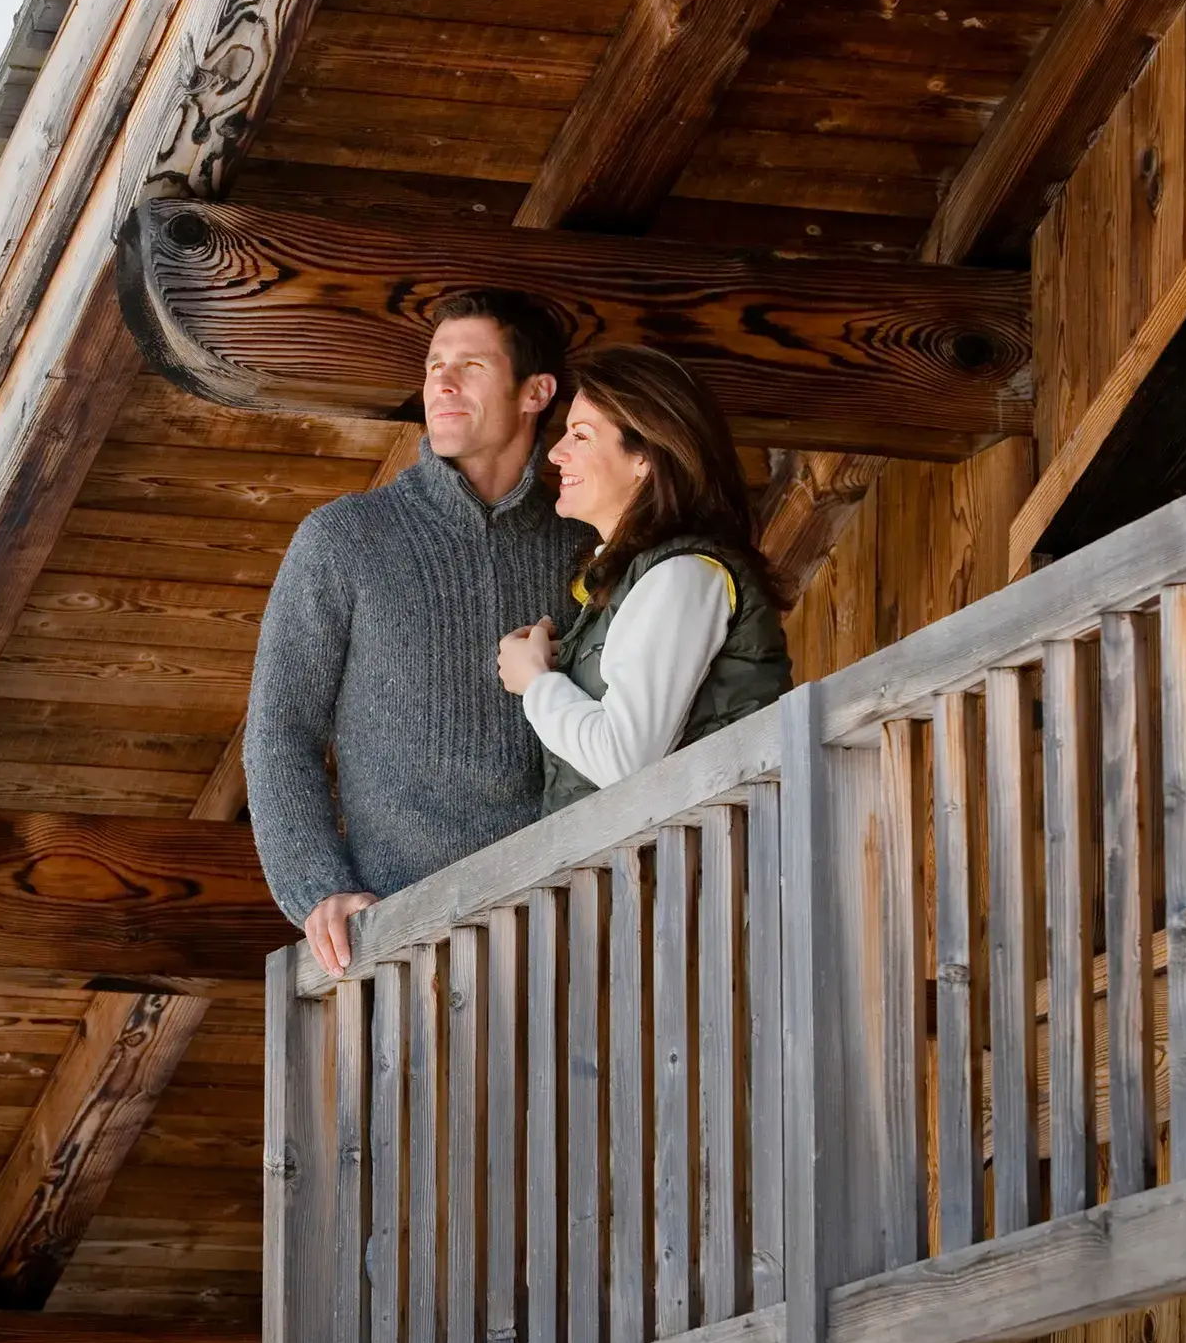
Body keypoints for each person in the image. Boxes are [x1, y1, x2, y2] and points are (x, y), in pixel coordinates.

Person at [246, 289, 591, 978]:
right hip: (398, 947)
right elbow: (279, 731)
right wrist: (320, 890)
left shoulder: (587, 542)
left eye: (471, 365)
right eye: (434, 364)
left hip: (567, 932)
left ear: (536, 392)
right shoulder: (345, 540)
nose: (441, 381)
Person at [497, 344, 792, 813]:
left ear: (644, 458)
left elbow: (625, 761)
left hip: (698, 872)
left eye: (582, 435)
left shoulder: (683, 576)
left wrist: (536, 683)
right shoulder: (643, 577)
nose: (556, 452)